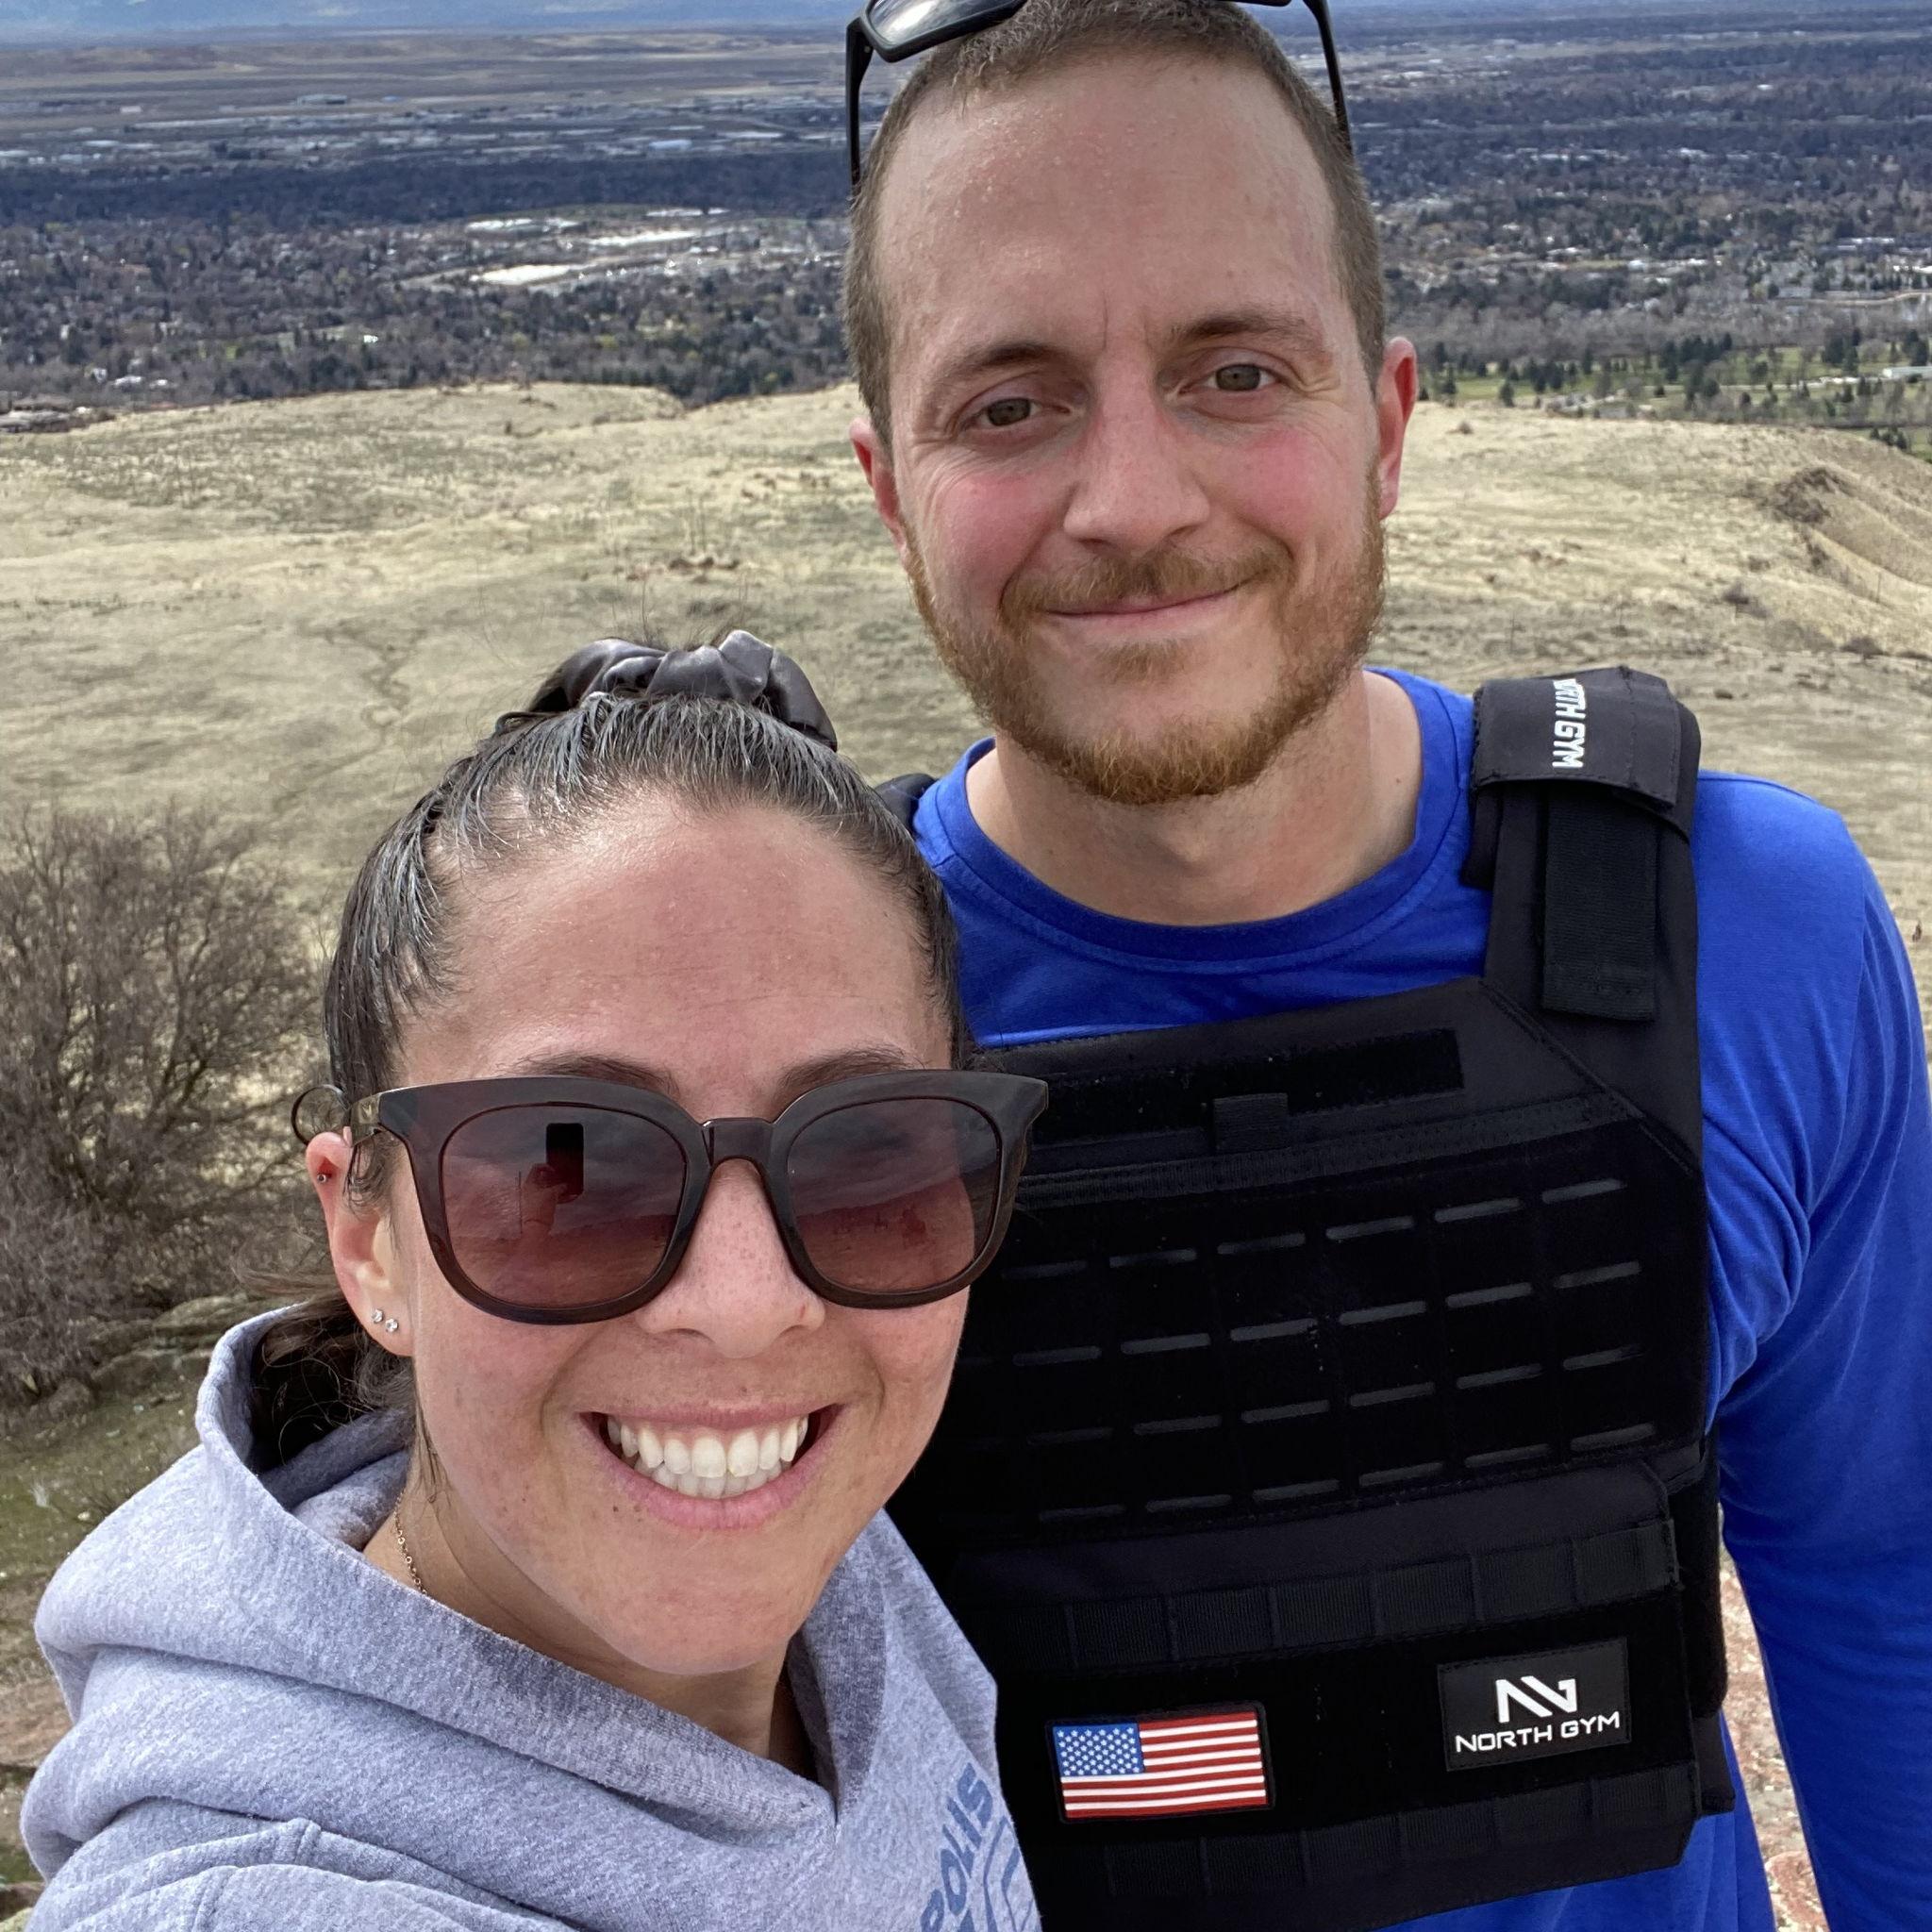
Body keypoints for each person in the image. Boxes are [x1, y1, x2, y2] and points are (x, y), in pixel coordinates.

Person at [837, 2, 1932, 1929]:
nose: (1135, 503)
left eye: (1235, 370)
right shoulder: (791, 1034)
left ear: (1393, 420)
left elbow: (1879, 1584)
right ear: (887, 487)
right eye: (1007, 403)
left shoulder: (1745, 933)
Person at [21, 634, 1049, 1932]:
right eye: (570, 1170)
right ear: (370, 1239)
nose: (745, 1306)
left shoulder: (829, 1555)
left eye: (862, 1160)